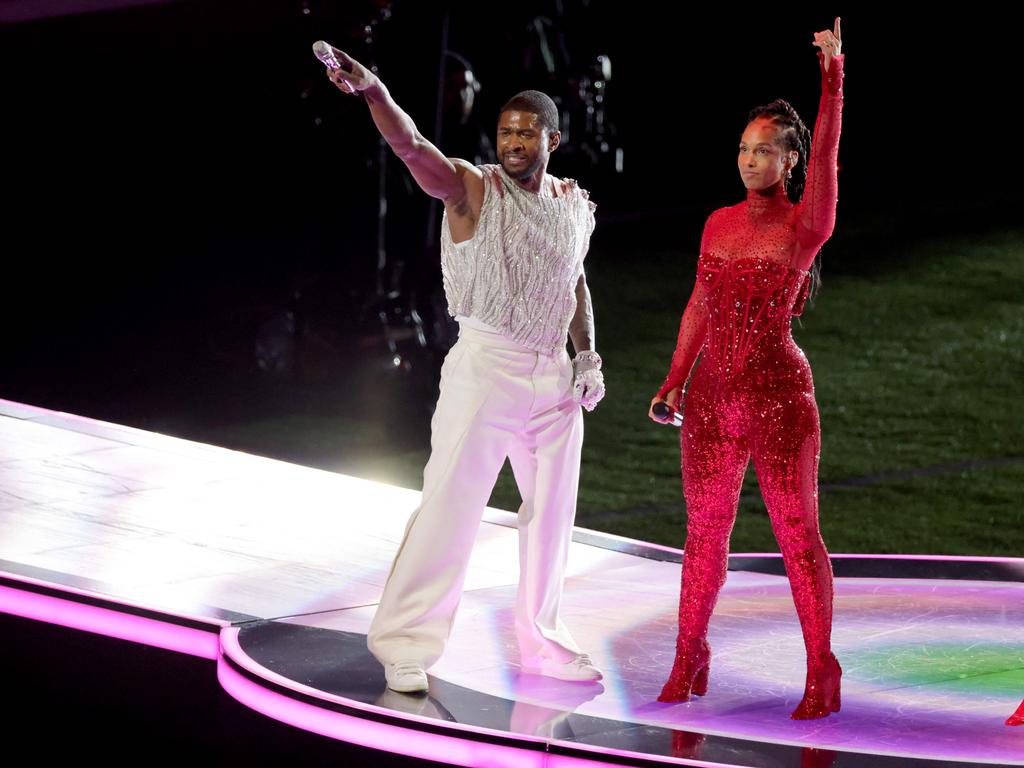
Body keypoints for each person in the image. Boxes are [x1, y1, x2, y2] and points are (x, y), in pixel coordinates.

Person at [322, 46, 605, 693]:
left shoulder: (570, 202)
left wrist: (586, 355)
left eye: (525, 131)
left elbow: (575, 280)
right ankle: (404, 643)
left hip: (555, 378)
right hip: (487, 365)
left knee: (552, 514)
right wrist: (374, 92)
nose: (511, 140)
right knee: (451, 508)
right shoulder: (473, 189)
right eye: (505, 130)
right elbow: (415, 149)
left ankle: (544, 642)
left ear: (552, 138)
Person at [648, 18, 844, 719]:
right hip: (709, 402)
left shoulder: (804, 225)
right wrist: (674, 377)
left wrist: (833, 76)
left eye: (765, 151)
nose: (750, 160)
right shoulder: (717, 222)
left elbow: (826, 160)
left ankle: (822, 666)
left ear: (788, 160)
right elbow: (700, 302)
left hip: (780, 398)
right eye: (743, 149)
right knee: (703, 535)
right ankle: (687, 655)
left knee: (797, 535)